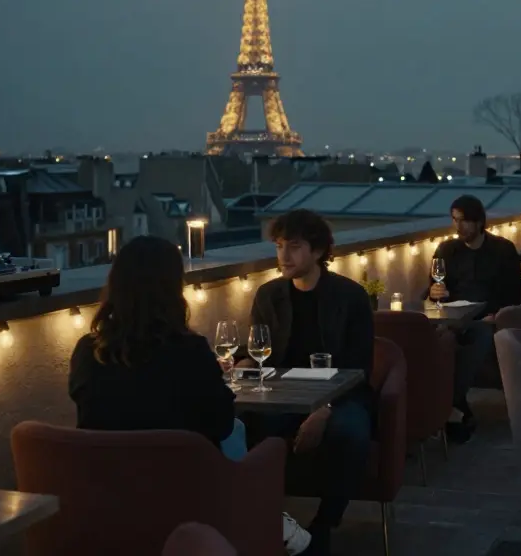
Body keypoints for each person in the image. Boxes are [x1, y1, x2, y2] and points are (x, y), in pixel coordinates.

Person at [68, 236, 311, 555]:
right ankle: (261, 517)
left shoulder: (88, 351)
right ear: (172, 289)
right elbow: (221, 422)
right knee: (237, 433)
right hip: (186, 501)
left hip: (107, 500)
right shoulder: (189, 351)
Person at [240, 209, 374, 556]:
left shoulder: (350, 296)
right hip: (283, 395)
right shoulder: (269, 295)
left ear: (317, 251)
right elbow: (260, 351)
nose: (284, 256)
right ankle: (265, 519)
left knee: (351, 432)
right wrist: (241, 360)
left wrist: (324, 408)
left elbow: (360, 367)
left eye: (294, 247)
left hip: (342, 395)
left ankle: (324, 524)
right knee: (242, 427)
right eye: (279, 246)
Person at [425, 194, 521, 443]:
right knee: (434, 340)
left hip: (487, 318)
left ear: (479, 221)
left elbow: (514, 293)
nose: (459, 227)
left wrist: (499, 313)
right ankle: (453, 409)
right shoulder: (447, 249)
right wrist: (435, 292)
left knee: (479, 335)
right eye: (455, 220)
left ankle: (450, 406)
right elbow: (432, 289)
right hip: (452, 316)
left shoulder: (502, 250)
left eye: (464, 221)